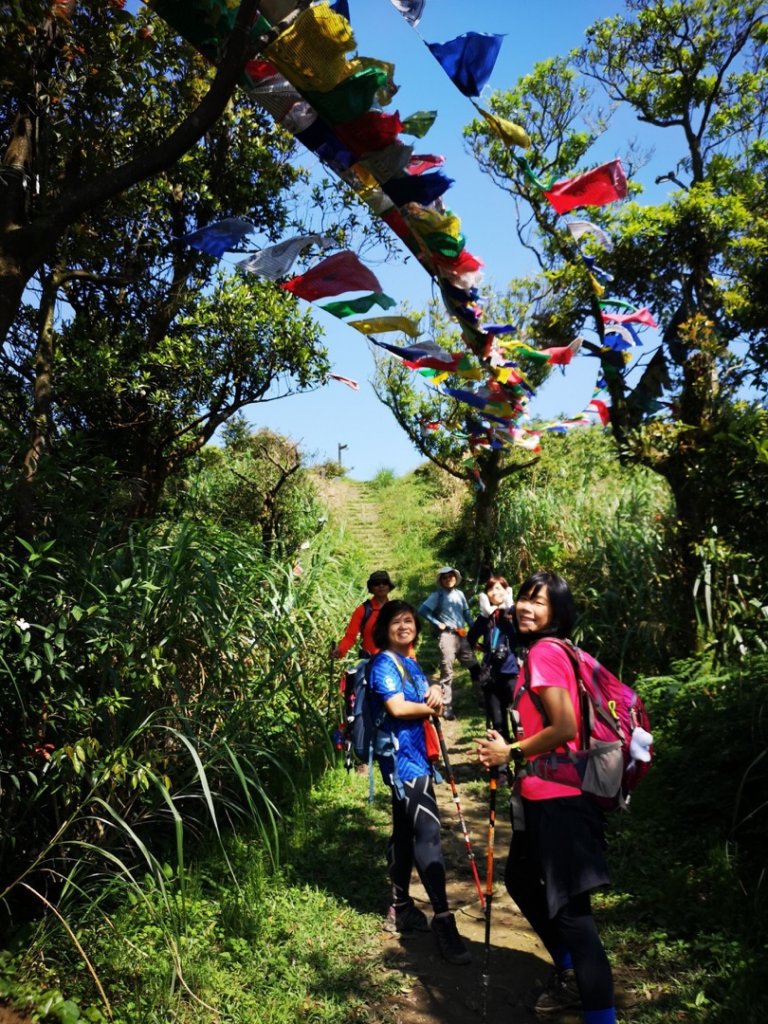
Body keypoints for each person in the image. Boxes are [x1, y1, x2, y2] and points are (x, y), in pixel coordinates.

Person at [476, 572, 616, 1024]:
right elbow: (546, 728)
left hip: (560, 800)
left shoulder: (544, 653)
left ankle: (598, 1012)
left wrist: (510, 751)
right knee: (520, 876)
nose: (526, 607)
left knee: (574, 916)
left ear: (557, 613)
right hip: (543, 793)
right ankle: (570, 969)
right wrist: (513, 745)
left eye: (539, 602)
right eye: (523, 598)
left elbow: (566, 727)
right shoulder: (545, 653)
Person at [367, 600, 472, 966]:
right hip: (403, 762)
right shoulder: (383, 663)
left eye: (409, 621)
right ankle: (444, 920)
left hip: (416, 758)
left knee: (404, 833)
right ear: (385, 629)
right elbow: (396, 708)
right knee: (427, 833)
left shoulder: (409, 662)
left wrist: (436, 697)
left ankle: (401, 908)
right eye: (396, 622)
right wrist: (432, 706)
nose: (404, 626)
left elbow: (431, 702)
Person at [418, 566, 479, 720]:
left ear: (455, 578)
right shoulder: (437, 595)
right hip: (446, 636)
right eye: (444, 578)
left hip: (461, 635)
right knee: (447, 671)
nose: (448, 579)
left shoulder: (460, 594)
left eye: (450, 576)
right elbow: (423, 610)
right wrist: (437, 622)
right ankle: (447, 706)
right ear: (441, 580)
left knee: (474, 667)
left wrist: (474, 629)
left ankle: (481, 697)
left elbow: (466, 613)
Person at [467, 574, 519, 741]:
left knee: (518, 720)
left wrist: (510, 610)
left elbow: (519, 637)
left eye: (498, 588)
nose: (494, 592)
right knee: (497, 722)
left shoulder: (514, 615)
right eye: (490, 589)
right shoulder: (486, 617)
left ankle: (522, 763)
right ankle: (501, 765)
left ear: (507, 591)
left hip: (512, 673)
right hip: (491, 674)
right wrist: (484, 615)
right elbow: (470, 638)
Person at [333, 570, 394, 661]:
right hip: (370, 663)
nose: (381, 586)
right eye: (377, 584)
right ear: (371, 588)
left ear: (389, 586)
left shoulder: (396, 609)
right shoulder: (363, 610)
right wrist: (340, 650)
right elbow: (350, 637)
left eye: (384, 583)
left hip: (394, 662)